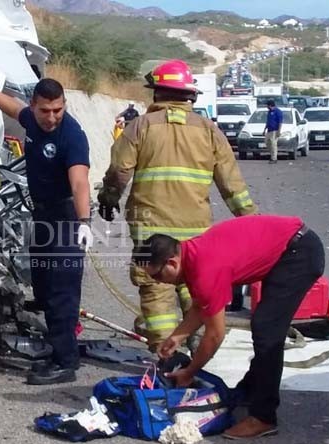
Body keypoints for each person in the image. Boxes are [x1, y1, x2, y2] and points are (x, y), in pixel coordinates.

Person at [97, 59, 256, 351]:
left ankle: (166, 358)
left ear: (156, 92)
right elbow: (233, 188)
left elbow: (120, 171)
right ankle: (198, 355)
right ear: (189, 95)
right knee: (196, 291)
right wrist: (254, 226)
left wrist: (108, 199)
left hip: (150, 233)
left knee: (157, 294)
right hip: (197, 234)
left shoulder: (140, 127)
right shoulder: (209, 131)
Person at [0, 62, 93, 385]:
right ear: (36, 106)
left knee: (62, 291)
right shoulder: (33, 122)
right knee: (44, 285)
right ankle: (57, 347)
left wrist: (85, 221)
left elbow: (79, 182)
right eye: (45, 110)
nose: (52, 117)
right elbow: (13, 107)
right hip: (43, 216)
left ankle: (65, 361)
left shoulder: (71, 136)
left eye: (58, 110)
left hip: (66, 220)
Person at [138, 215, 325, 440]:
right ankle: (252, 389)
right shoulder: (192, 255)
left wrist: (190, 372)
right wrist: (177, 337)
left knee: (267, 330)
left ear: (172, 262)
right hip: (291, 246)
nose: (159, 282)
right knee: (265, 327)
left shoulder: (205, 268)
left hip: (299, 253)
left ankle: (263, 418)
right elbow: (201, 306)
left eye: (158, 275)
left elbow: (215, 335)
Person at [264, 99, 283, 164]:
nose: (266, 107)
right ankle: (272, 155)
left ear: (270, 105)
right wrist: (264, 130)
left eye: (267, 105)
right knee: (267, 143)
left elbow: (280, 122)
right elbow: (268, 121)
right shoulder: (269, 112)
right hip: (269, 130)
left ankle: (274, 158)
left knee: (273, 144)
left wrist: (279, 131)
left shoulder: (278, 111)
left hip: (275, 130)